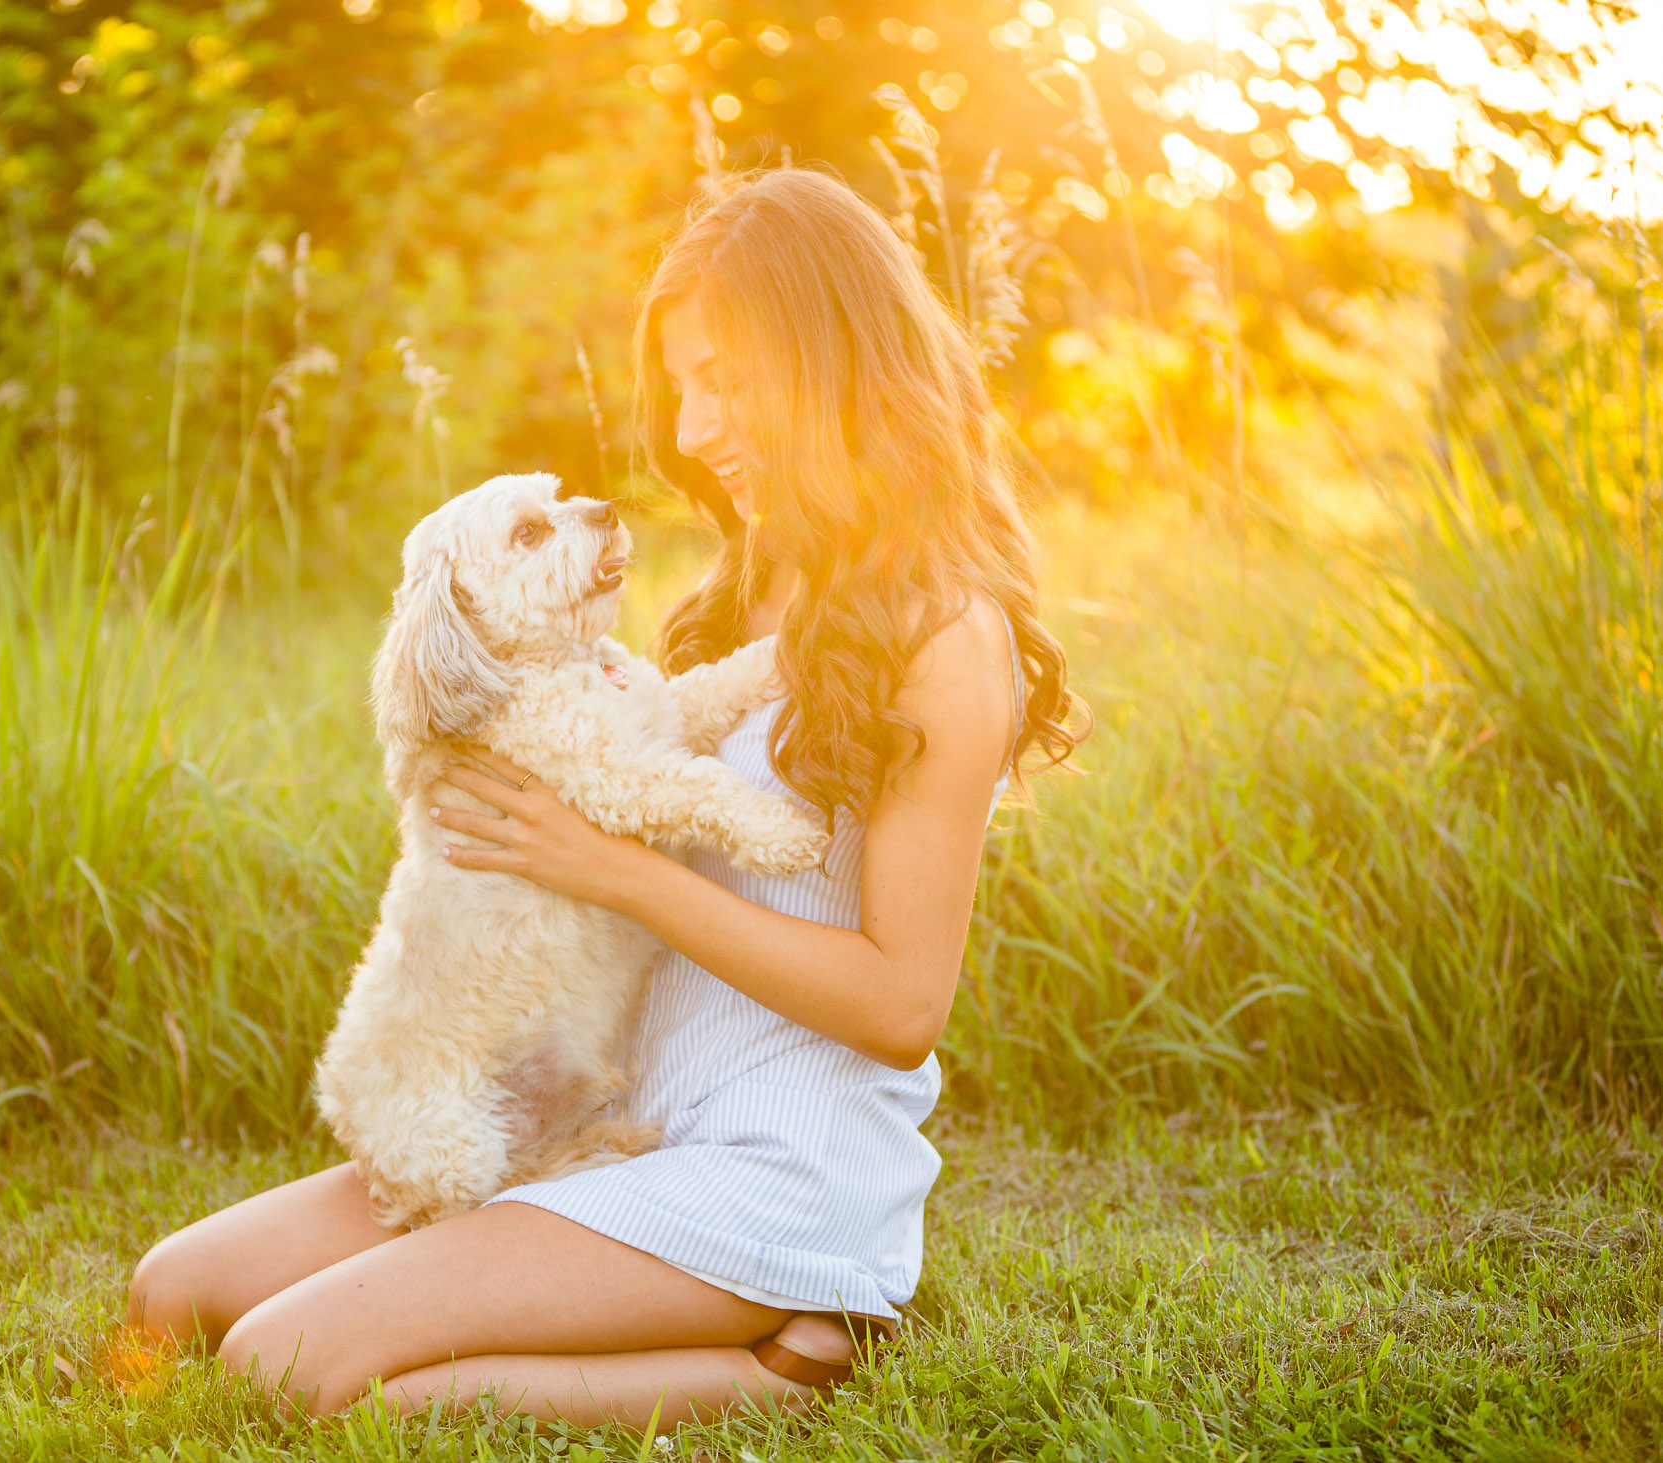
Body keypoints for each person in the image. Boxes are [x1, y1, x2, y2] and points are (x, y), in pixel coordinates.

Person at [125, 167, 1082, 1427]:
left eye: (729, 381)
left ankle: (790, 1363)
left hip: (770, 1167)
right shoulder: (764, 587)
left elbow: (902, 1004)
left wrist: (605, 865)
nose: (692, 428)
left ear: (839, 361)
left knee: (285, 1362)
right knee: (171, 1290)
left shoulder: (945, 635)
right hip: (617, 1125)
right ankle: (673, 1298)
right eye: (684, 384)